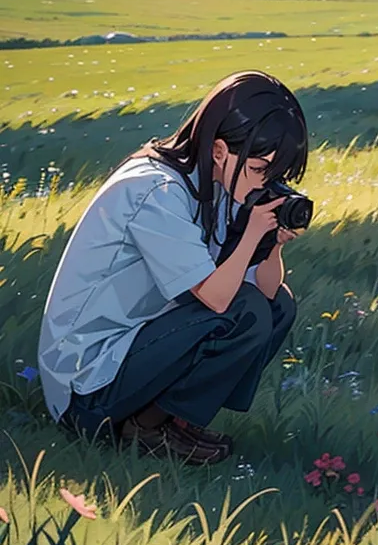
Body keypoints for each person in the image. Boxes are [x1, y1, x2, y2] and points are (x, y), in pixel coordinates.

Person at [37, 70, 308, 466]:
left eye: (275, 173)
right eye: (259, 168)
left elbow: (268, 294)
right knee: (241, 309)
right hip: (88, 383)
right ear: (219, 150)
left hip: (139, 349)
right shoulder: (155, 190)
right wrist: (250, 235)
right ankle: (146, 428)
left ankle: (172, 423)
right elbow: (218, 299)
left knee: (277, 305)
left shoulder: (223, 185)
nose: (265, 182)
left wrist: (271, 245)